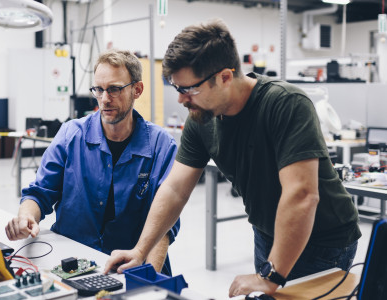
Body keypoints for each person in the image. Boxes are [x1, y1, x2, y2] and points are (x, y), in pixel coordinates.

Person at [104, 19, 361, 297]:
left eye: (188, 89)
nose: (181, 100)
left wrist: (271, 274)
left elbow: (302, 195)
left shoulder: (285, 104)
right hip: (267, 233)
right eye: (177, 88)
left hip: (322, 240)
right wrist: (140, 250)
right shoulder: (201, 117)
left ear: (225, 77)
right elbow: (175, 189)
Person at [5, 49, 180, 275]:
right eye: (99, 89)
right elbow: (39, 193)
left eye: (115, 89)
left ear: (137, 90)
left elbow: (164, 224)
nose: (105, 99)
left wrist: (149, 280)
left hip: (130, 265)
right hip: (72, 261)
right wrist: (26, 216)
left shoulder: (160, 145)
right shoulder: (71, 135)